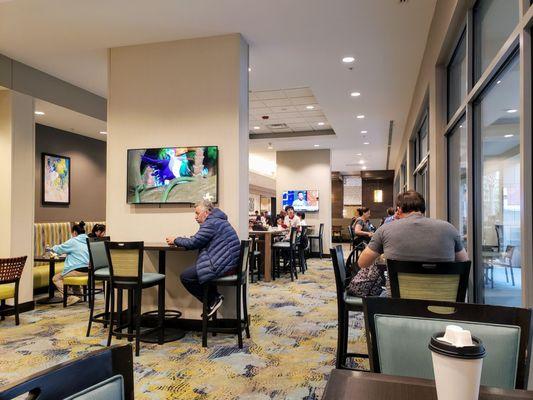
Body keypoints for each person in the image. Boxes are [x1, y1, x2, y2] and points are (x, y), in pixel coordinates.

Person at [357, 191, 469, 269]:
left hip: (399, 301)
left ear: (399, 209)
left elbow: (362, 263)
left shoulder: (385, 229)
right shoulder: (449, 228)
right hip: (443, 300)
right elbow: (464, 262)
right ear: (423, 209)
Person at [166, 200, 240, 317]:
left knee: (186, 277)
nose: (195, 217)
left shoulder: (210, 223)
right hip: (228, 263)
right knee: (201, 273)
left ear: (206, 213)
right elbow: (199, 239)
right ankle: (213, 300)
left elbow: (194, 243)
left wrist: (175, 240)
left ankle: (213, 299)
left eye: (197, 213)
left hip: (223, 265)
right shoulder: (218, 221)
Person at [50, 221, 90, 306]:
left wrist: (52, 248)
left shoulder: (73, 241)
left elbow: (59, 249)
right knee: (71, 272)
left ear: (74, 232)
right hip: (89, 270)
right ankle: (78, 295)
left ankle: (69, 297)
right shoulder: (89, 240)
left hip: (79, 270)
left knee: (56, 278)